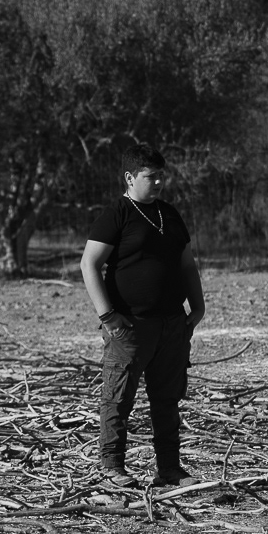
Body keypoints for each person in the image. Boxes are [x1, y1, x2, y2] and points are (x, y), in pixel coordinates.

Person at [80, 143, 206, 488]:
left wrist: (198, 308)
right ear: (130, 177)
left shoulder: (170, 214)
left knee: (167, 399)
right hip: (130, 327)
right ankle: (111, 469)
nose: (159, 182)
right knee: (118, 398)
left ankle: (169, 469)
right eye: (151, 176)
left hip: (172, 325)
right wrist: (108, 316)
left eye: (161, 175)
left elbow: (187, 265)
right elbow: (89, 264)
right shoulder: (117, 215)